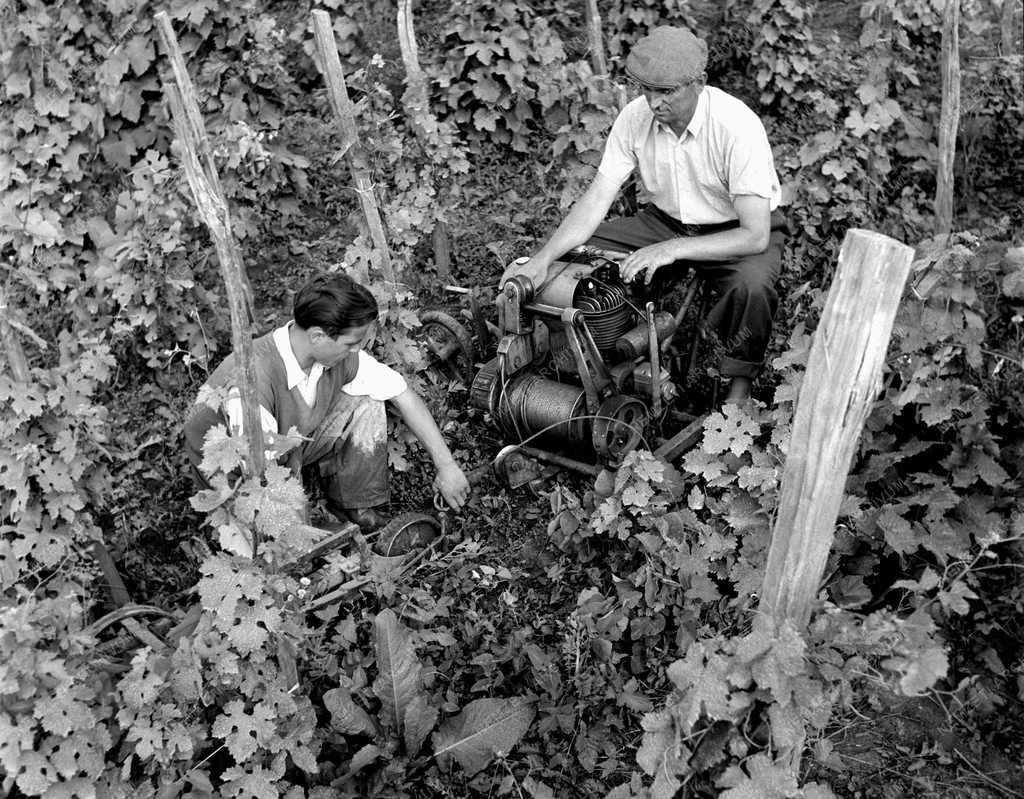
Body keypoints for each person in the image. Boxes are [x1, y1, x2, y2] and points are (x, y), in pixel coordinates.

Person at [500, 26, 787, 403]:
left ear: (699, 83)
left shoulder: (737, 127)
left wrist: (673, 249)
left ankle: (739, 388)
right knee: (582, 258)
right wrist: (542, 259)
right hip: (664, 222)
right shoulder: (635, 118)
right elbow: (596, 199)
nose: (653, 103)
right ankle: (588, 354)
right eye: (646, 90)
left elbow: (755, 235)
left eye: (666, 92)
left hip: (735, 230)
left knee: (753, 288)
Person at [184, 271, 470, 532]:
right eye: (351, 343)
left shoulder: (331, 356)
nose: (357, 350)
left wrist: (446, 466)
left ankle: (356, 506)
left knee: (367, 401)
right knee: (293, 549)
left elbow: (400, 392)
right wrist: (301, 527)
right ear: (318, 335)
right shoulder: (252, 381)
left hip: (288, 444)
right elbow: (261, 477)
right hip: (238, 474)